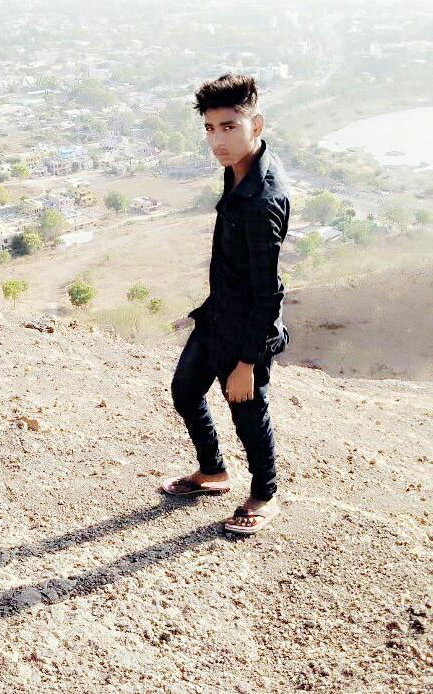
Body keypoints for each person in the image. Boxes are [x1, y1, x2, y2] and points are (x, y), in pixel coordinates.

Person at [161, 73, 291, 535]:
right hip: (217, 314)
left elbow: (270, 291)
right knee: (185, 391)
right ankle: (213, 471)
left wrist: (247, 363)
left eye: (229, 127)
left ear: (256, 124)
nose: (217, 140)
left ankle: (265, 495)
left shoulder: (262, 201)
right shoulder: (239, 167)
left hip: (246, 330)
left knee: (248, 411)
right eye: (210, 128)